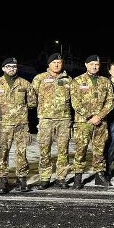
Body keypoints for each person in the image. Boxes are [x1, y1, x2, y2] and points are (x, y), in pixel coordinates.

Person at [0, 57, 37, 194]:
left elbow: (32, 103)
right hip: (2, 125)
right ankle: (3, 180)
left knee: (22, 153)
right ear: (3, 68)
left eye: (14, 67)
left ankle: (21, 180)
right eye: (9, 66)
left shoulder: (25, 84)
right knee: (3, 154)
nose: (12, 69)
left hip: (21, 125)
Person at [70, 55, 114, 188]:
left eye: (96, 64)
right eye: (91, 64)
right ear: (86, 65)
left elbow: (110, 102)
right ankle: (78, 176)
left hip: (101, 122)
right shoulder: (77, 81)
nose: (94, 66)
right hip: (83, 122)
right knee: (80, 149)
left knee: (99, 150)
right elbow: (75, 102)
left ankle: (99, 175)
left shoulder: (105, 81)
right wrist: (90, 117)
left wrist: (99, 116)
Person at [32, 53, 73, 189]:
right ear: (48, 64)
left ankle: (61, 178)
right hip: (46, 119)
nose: (56, 65)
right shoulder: (40, 78)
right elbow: (32, 98)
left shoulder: (69, 80)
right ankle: (44, 178)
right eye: (54, 62)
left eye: (59, 62)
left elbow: (75, 99)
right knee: (44, 150)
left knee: (63, 150)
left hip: (64, 120)